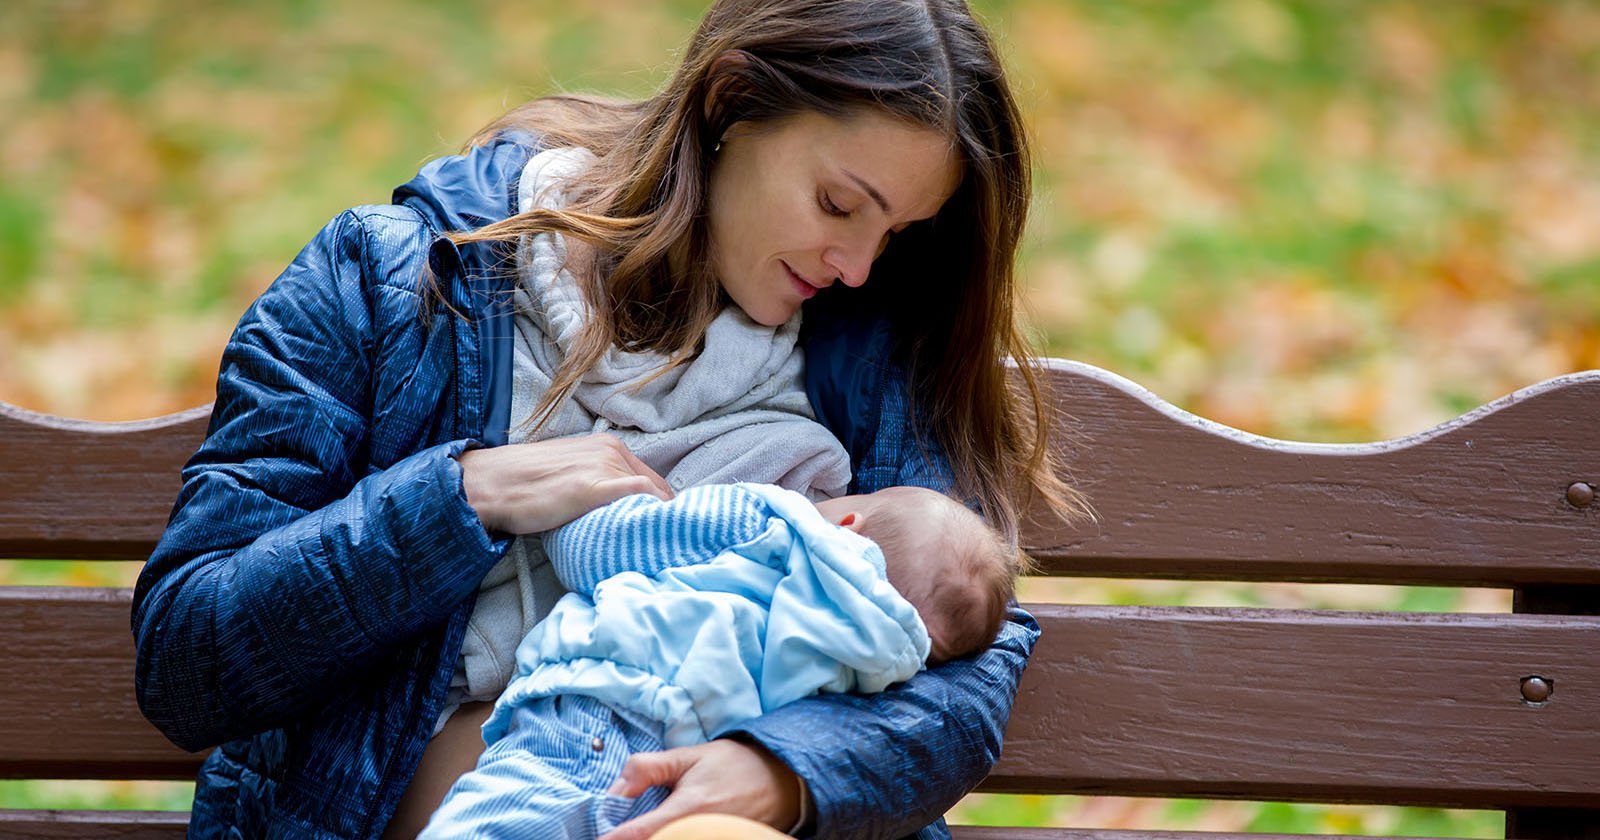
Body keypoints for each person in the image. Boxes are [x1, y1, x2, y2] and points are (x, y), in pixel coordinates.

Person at [130, 1, 1089, 838]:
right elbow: (191, 656)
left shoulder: (872, 351)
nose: (859, 266)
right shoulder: (389, 288)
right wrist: (464, 496)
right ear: (729, 102)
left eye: (899, 234)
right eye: (840, 204)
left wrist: (783, 772)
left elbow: (965, 661)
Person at [419, 482, 1020, 839]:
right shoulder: (881, 671)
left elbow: (591, 550)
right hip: (688, 787)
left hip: (592, 726)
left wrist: (557, 512)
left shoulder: (771, 523)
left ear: (847, 521)